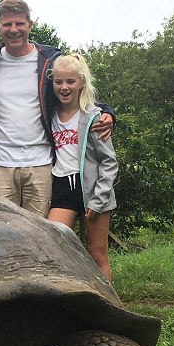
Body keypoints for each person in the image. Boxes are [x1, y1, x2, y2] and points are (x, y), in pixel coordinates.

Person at [0, 0, 115, 216]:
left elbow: (73, 90)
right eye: (7, 24)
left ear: (29, 24)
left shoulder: (49, 59)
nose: (14, 30)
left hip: (41, 164)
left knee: (40, 237)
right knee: (0, 235)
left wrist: (107, 111)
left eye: (19, 23)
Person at [46, 54, 117, 280]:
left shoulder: (95, 117)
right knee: (52, 244)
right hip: (62, 187)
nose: (64, 87)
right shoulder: (48, 115)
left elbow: (109, 162)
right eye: (58, 82)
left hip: (92, 189)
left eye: (70, 82)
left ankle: (108, 308)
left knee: (97, 254)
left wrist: (99, 198)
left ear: (81, 83)